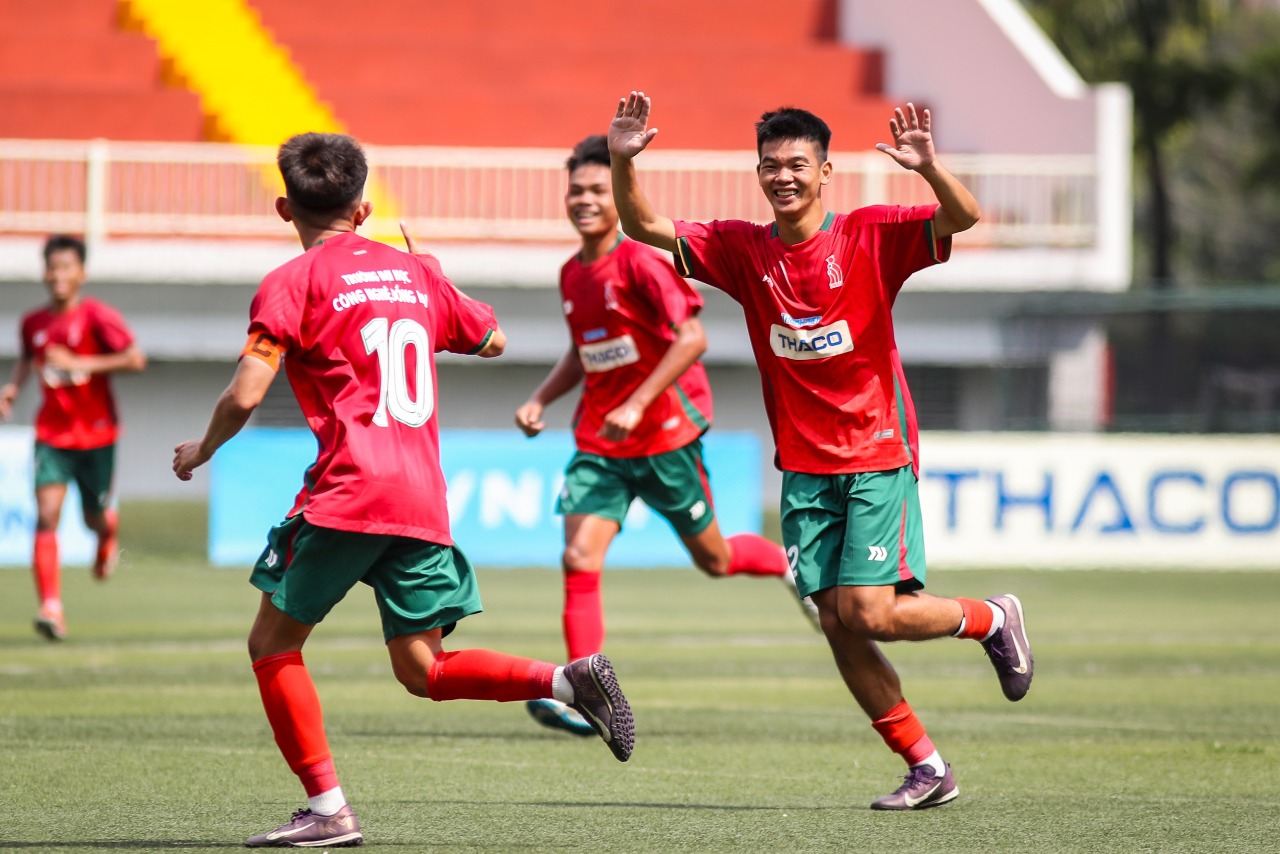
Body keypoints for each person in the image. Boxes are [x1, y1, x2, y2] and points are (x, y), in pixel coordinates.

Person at [172, 132, 634, 848]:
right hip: (420, 500)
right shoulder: (414, 275)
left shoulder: (291, 282)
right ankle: (568, 681)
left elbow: (246, 392)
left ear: (283, 207)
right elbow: (495, 340)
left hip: (350, 492)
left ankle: (328, 809)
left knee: (272, 643)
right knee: (423, 669)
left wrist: (202, 449)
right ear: (363, 208)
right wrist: (433, 278)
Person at [606, 92, 1033, 810]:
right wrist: (622, 161)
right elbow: (641, 223)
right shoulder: (744, 250)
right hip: (803, 471)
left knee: (868, 613)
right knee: (835, 621)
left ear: (826, 171)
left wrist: (929, 169)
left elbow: (961, 218)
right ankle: (927, 766)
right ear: (759, 172)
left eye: (797, 164)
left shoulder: (870, 236)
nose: (783, 177)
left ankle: (992, 618)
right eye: (771, 166)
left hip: (874, 452)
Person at [515, 134, 817, 738]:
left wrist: (637, 402)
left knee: (716, 559)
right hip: (601, 443)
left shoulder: (643, 262)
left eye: (599, 189)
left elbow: (693, 339)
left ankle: (783, 562)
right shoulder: (572, 274)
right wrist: (541, 397)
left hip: (666, 436)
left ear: (615, 197)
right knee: (577, 556)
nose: (585, 200)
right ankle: (586, 689)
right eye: (576, 190)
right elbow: (587, 349)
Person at [0, 235, 146, 641]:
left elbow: (135, 358)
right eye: (51, 267)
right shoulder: (33, 322)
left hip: (97, 434)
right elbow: (30, 358)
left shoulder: (98, 316)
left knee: (92, 518)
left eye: (66, 267)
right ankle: (51, 607)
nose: (57, 275)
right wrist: (13, 388)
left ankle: (107, 534)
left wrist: (82, 363)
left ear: (81, 272)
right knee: (46, 513)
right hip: (52, 433)